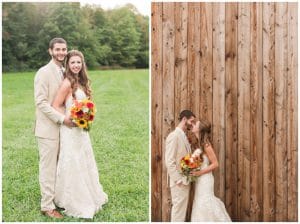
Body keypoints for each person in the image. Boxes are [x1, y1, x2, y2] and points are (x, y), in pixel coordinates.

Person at [52, 50, 108, 218]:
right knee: (72, 160)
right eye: (72, 63)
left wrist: (86, 116)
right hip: (70, 129)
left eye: (78, 62)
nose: (76, 65)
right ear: (68, 65)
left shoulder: (81, 82)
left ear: (82, 64)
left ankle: (89, 192)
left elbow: (85, 104)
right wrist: (68, 119)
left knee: (83, 158)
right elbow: (55, 105)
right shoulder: (67, 83)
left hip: (81, 129)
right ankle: (71, 198)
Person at [34, 37, 74, 219]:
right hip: (48, 130)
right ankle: (47, 206)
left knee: (60, 166)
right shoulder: (43, 72)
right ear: (50, 51)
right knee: (48, 168)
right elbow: (41, 102)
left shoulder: (65, 71)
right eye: (57, 49)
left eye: (64, 49)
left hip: (63, 131)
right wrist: (61, 119)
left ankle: (58, 199)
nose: (61, 53)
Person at [190, 119, 231, 221]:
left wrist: (200, 172)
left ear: (199, 130)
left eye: (196, 124)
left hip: (205, 179)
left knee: (205, 202)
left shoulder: (206, 145)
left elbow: (215, 164)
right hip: (199, 180)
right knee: (199, 202)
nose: (193, 125)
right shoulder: (199, 144)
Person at [165, 110, 196, 222]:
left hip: (185, 180)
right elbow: (169, 161)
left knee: (181, 213)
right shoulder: (174, 136)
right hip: (179, 182)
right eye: (191, 121)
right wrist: (178, 180)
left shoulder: (183, 136)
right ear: (184, 119)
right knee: (178, 213)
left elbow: (183, 159)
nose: (192, 124)